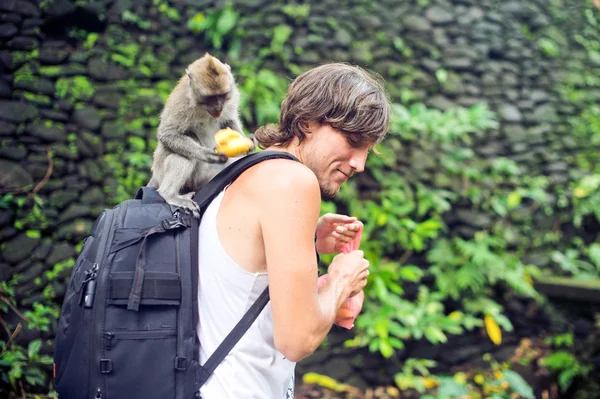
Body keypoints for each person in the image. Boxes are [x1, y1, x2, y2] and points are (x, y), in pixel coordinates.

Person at [196, 62, 391, 398]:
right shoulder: (292, 181)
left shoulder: (248, 167)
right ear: (307, 122)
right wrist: (342, 279)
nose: (360, 164)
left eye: (367, 151)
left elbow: (241, 265)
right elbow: (297, 339)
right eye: (353, 140)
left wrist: (309, 239)